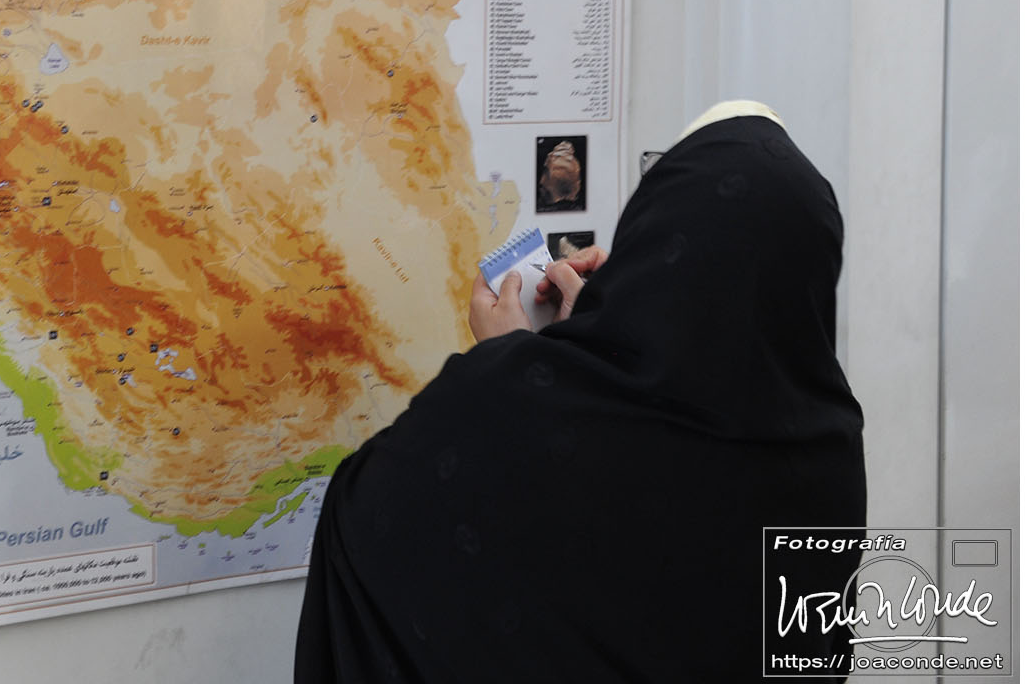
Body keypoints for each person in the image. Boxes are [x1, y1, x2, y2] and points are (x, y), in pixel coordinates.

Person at [294, 106, 865, 681]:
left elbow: (363, 518)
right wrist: (608, 329)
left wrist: (510, 361)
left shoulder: (514, 408)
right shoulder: (827, 450)